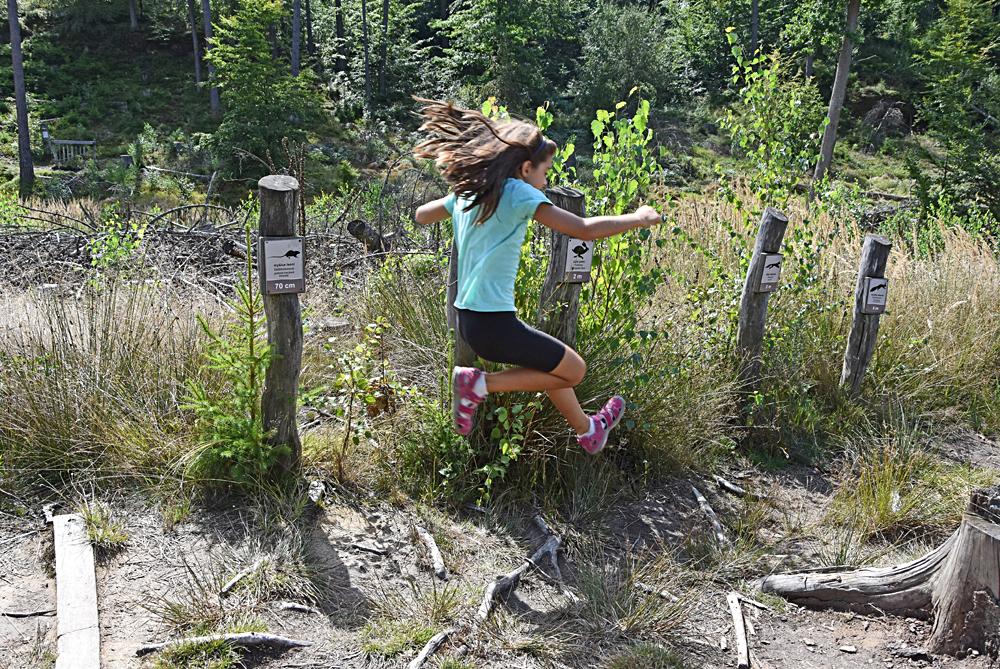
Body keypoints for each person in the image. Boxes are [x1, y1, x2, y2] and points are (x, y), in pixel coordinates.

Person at [412, 98, 663, 454]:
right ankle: (479, 385)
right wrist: (638, 218)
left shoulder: (471, 194)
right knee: (574, 370)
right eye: (545, 170)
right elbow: (582, 228)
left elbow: (422, 215)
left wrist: (459, 195)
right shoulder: (518, 192)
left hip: (469, 320)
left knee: (551, 368)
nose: (547, 179)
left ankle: (588, 430)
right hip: (494, 323)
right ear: (526, 168)